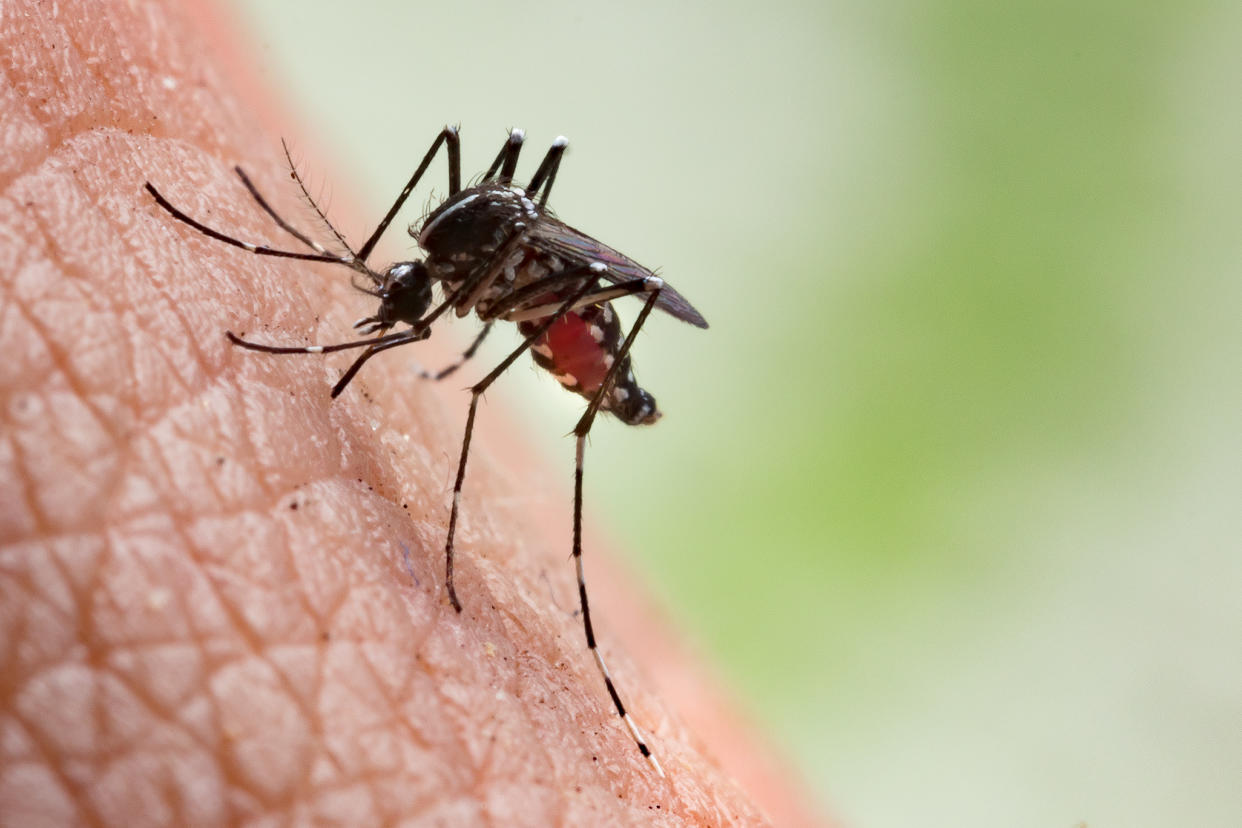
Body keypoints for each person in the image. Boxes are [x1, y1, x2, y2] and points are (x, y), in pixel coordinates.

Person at [0, 1, 827, 824]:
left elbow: (618, 279)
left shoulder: (466, 257)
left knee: (581, 279)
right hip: (518, 275)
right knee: (480, 168)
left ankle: (563, 437)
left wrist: (477, 374)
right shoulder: (441, 246)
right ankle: (443, 293)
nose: (397, 306)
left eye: (398, 293)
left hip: (580, 315)